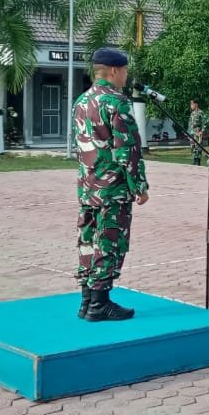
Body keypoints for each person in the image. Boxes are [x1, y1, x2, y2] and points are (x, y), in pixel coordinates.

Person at [73, 47, 149, 322]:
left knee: (88, 240)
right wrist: (139, 185)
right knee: (109, 242)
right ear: (115, 70)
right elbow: (127, 149)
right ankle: (99, 304)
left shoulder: (82, 101)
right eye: (125, 71)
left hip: (88, 187)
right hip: (113, 188)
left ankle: (86, 300)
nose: (126, 76)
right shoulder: (117, 102)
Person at [186, 99, 208, 166]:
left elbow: (205, 122)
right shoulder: (192, 113)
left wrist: (202, 131)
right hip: (192, 132)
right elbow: (190, 123)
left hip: (198, 132)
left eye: (192, 104)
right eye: (190, 104)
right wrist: (188, 132)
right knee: (192, 146)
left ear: (196, 104)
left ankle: (198, 161)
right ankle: (194, 160)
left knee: (198, 147)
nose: (191, 105)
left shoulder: (200, 112)